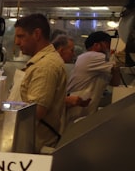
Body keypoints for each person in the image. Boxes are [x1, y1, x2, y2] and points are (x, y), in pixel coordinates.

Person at [12, 13, 67, 150]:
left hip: (36, 145)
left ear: (36, 34)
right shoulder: (41, 62)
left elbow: (36, 111)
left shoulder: (45, 66)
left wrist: (5, 106)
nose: (16, 42)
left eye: (21, 36)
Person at [65, 30, 122, 122]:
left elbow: (115, 82)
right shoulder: (91, 56)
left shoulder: (101, 64)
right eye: (108, 44)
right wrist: (118, 57)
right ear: (97, 45)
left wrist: (116, 64)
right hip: (77, 110)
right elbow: (120, 61)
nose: (110, 48)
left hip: (86, 111)